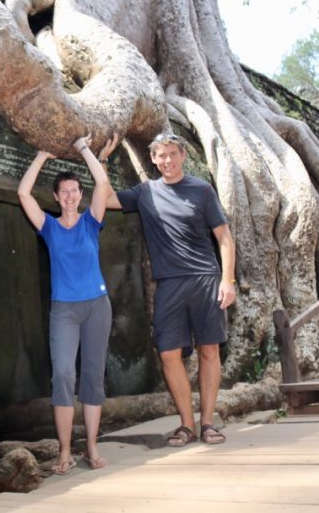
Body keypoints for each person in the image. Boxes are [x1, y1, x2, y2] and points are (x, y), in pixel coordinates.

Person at [104, 131, 236, 447]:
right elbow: (106, 199)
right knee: (168, 353)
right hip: (169, 284)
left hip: (205, 278)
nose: (167, 160)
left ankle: (207, 423)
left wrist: (227, 280)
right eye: (161, 155)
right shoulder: (145, 192)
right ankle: (186, 425)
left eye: (173, 154)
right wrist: (101, 160)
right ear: (153, 159)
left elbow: (225, 238)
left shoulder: (202, 191)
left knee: (209, 349)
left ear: (182, 156)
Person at [17, 133, 119, 474]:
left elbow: (102, 182)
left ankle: (91, 446)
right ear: (58, 197)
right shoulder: (49, 227)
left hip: (97, 307)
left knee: (92, 375)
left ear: (80, 195)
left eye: (76, 190)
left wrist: (83, 148)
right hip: (64, 309)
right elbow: (22, 193)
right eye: (65, 192)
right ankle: (64, 451)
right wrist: (42, 156)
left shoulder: (91, 223)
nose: (71, 196)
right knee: (62, 374)